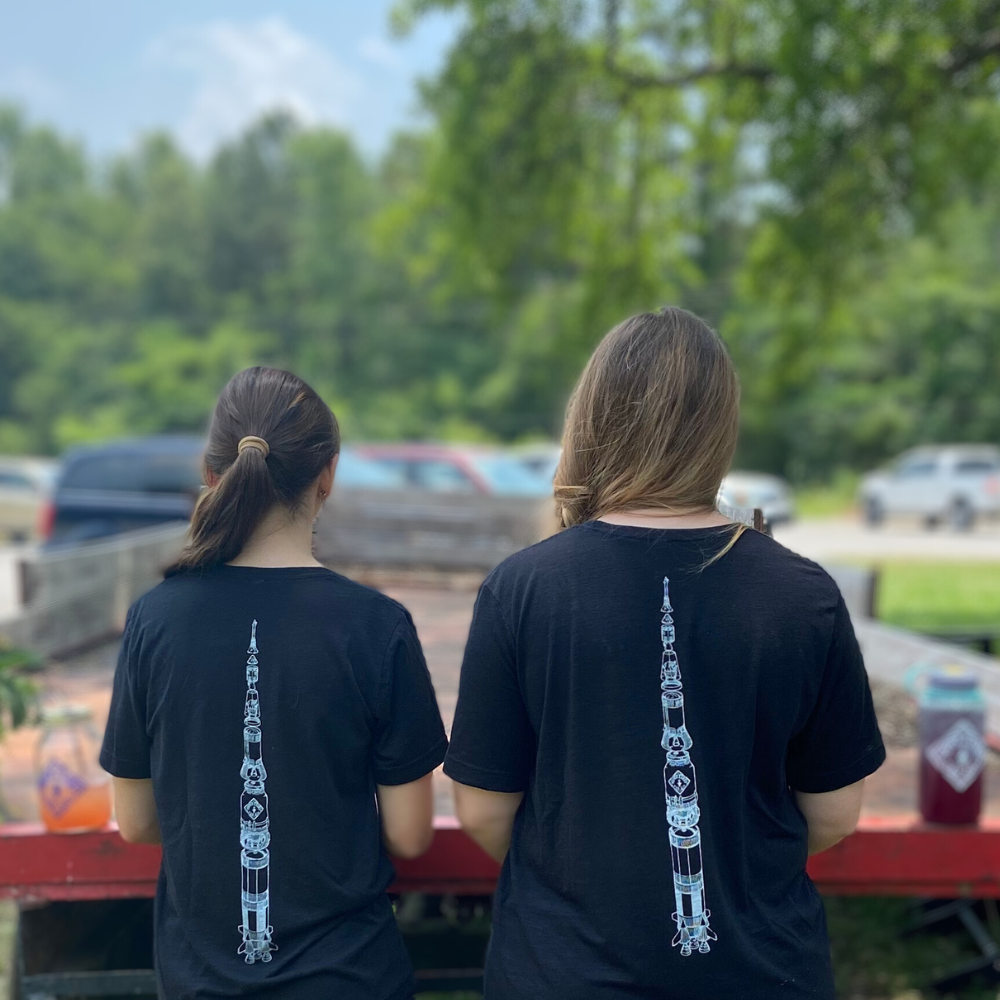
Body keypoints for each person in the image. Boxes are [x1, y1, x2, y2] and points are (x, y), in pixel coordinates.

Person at [444, 308, 885, 1000]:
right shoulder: (804, 594)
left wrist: (579, 880)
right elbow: (833, 814)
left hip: (561, 974)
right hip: (760, 975)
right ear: (721, 425)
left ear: (592, 414)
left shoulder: (523, 588)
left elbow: (482, 811)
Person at [101, 367, 447, 1000]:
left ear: (213, 474)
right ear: (328, 475)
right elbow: (410, 833)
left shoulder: (154, 619)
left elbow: (136, 821)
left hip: (202, 982)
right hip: (350, 978)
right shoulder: (377, 626)